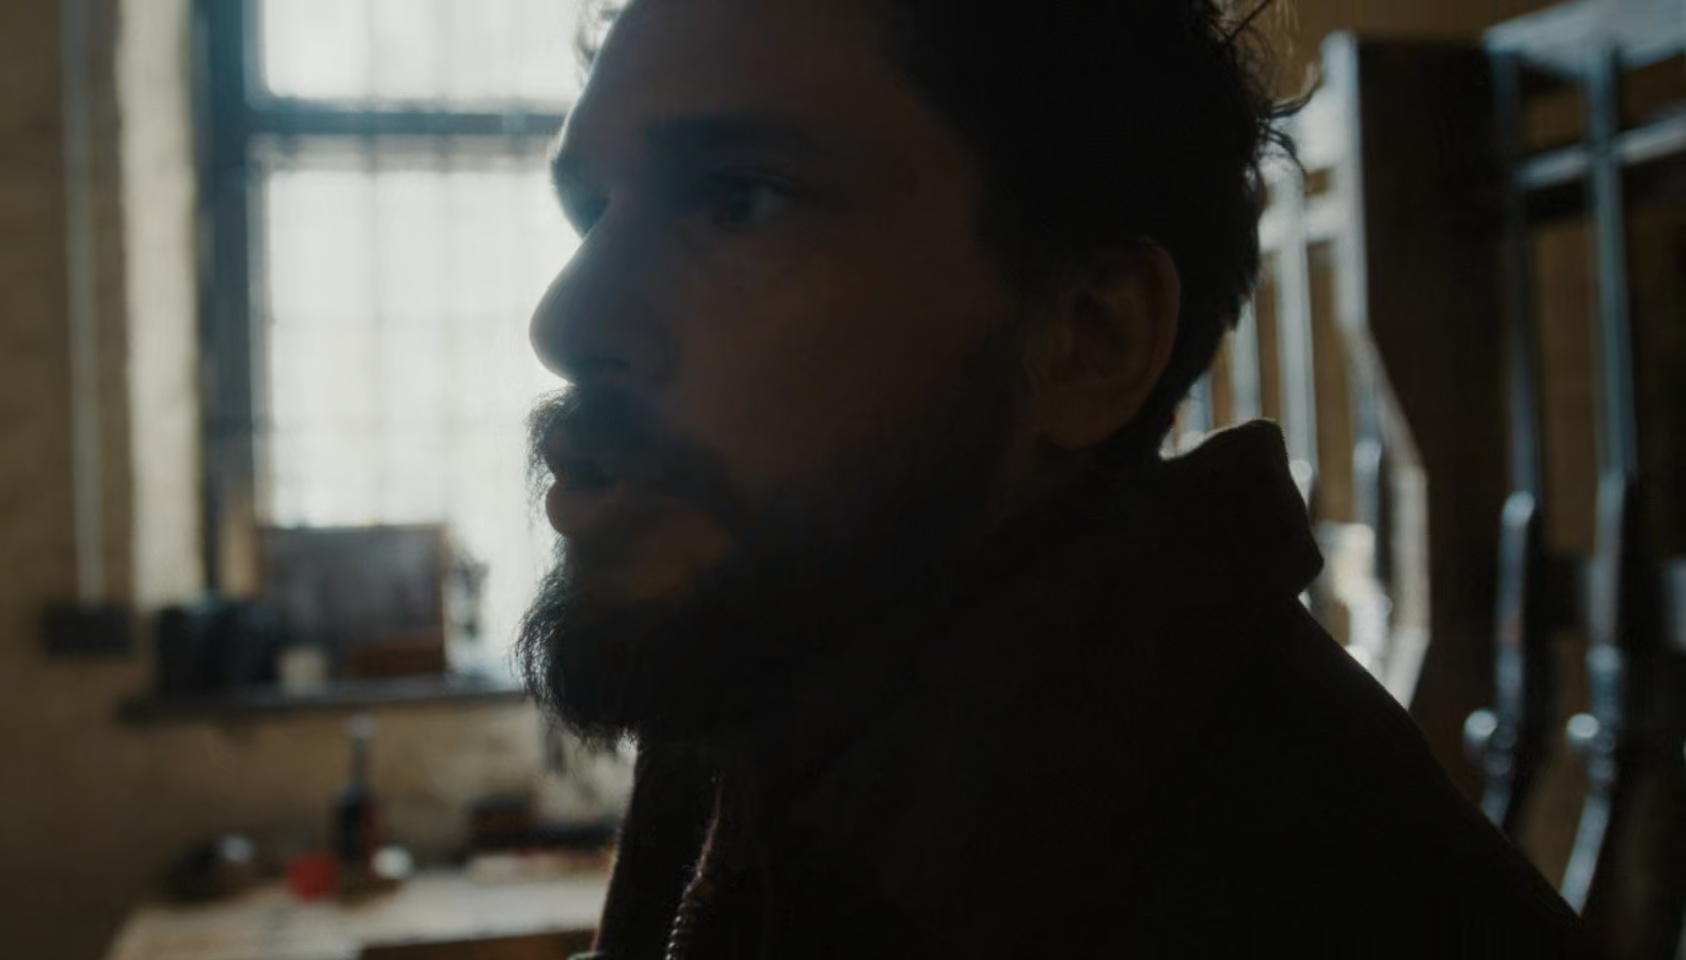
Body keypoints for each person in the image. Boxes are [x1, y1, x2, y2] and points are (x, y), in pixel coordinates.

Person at [517, 0, 1578, 955]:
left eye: (739, 201)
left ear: (1087, 338)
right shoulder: (759, 665)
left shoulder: (1344, 900)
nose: (564, 322)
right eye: (593, 211)